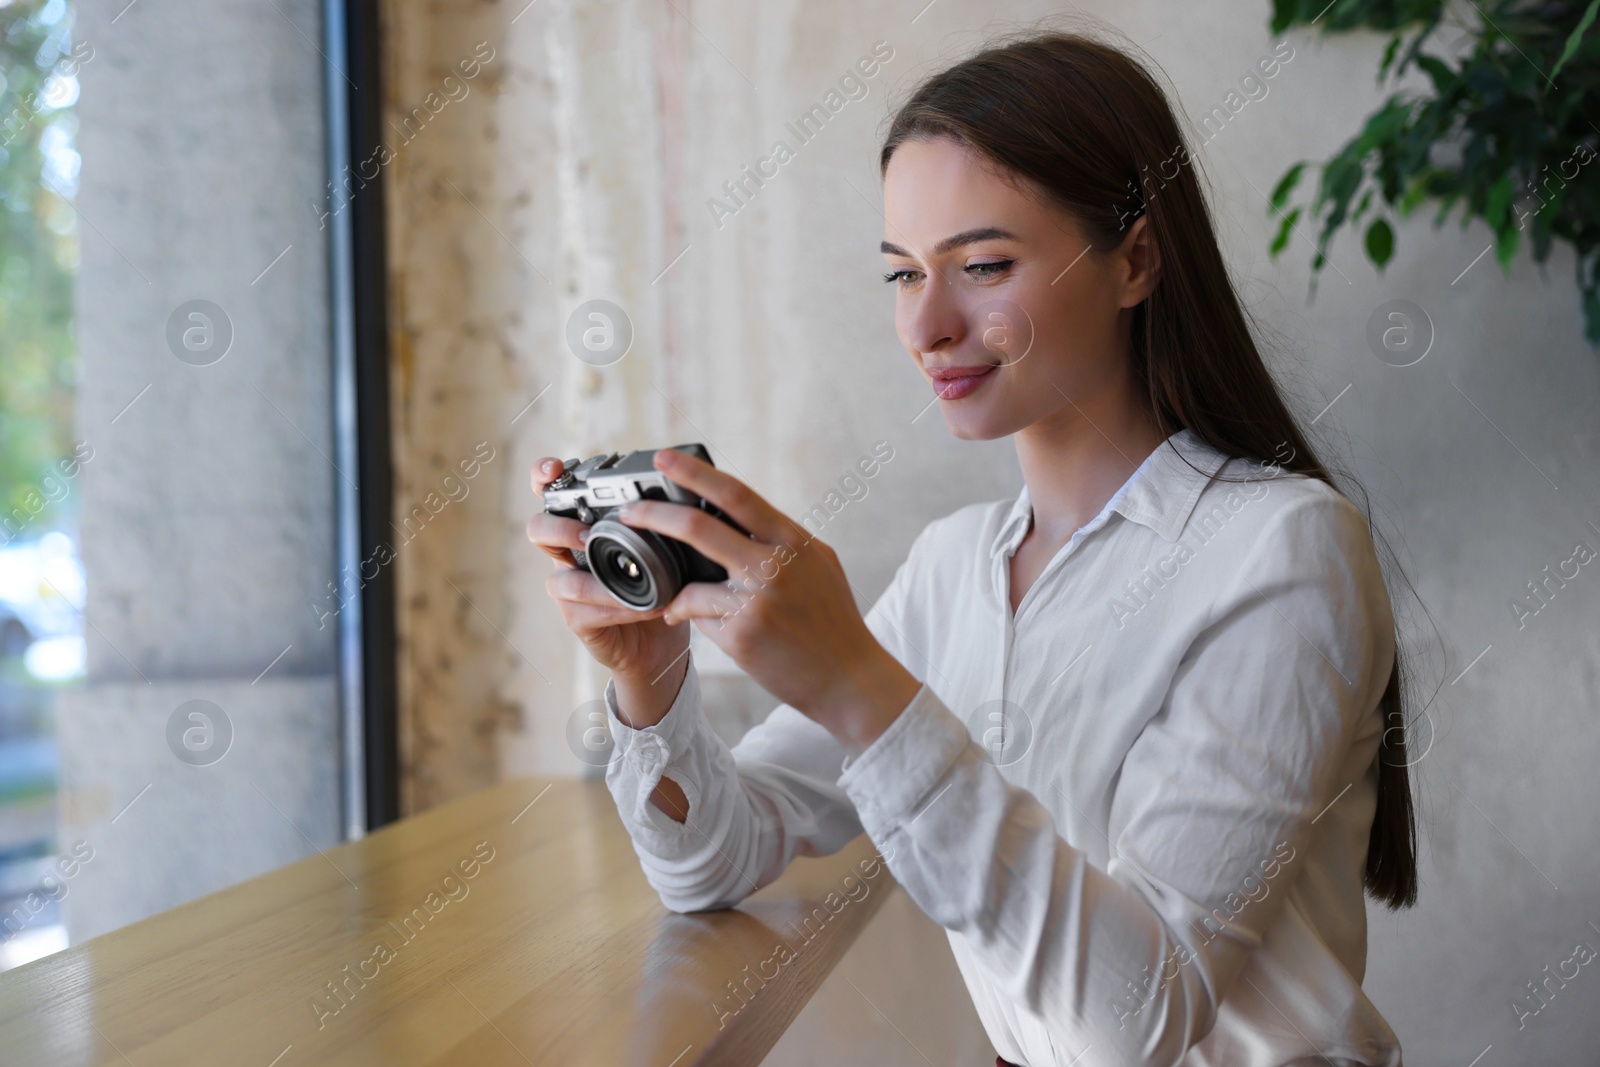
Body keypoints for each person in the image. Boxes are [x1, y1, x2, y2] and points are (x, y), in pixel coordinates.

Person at [529, 30, 1418, 1067]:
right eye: (902, 274)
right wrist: (653, 680)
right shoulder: (954, 568)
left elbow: (1133, 1020)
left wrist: (859, 684)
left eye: (982, 265)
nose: (927, 326)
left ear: (1134, 257)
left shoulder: (1283, 550)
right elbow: (712, 861)